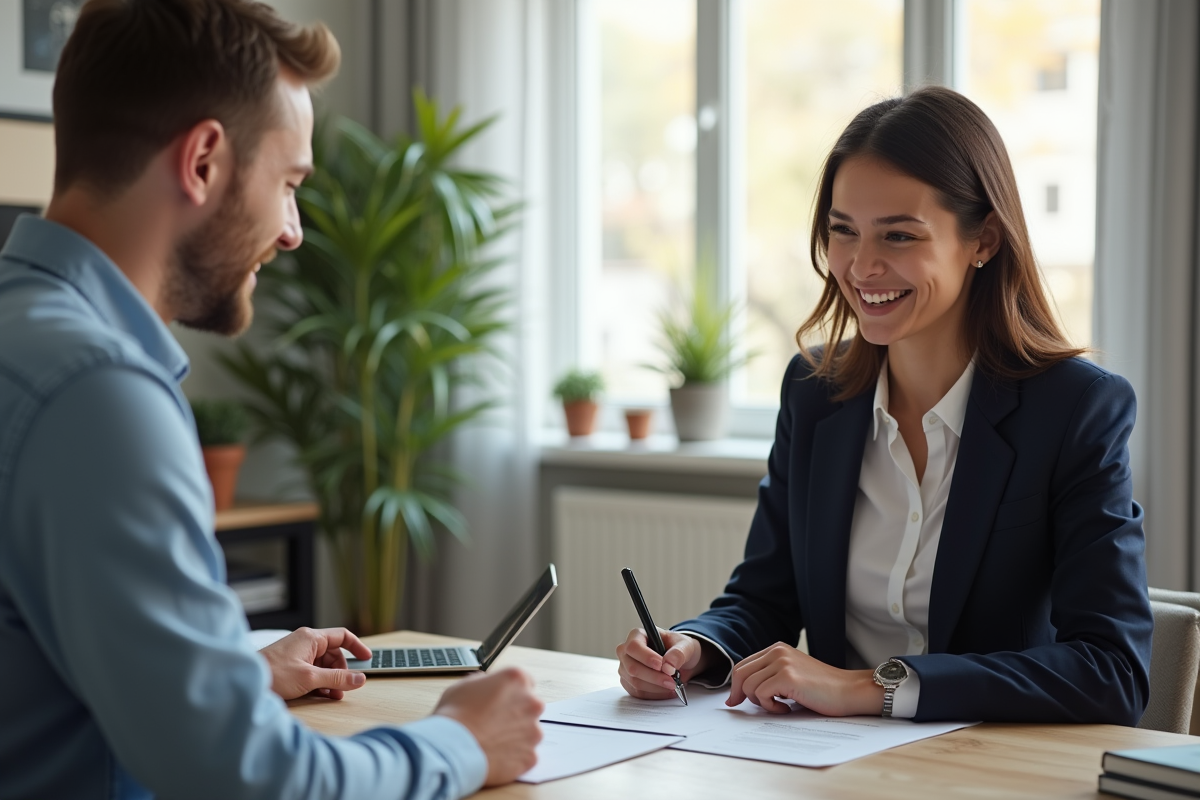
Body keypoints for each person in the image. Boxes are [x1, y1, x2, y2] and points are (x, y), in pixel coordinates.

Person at [0, 1, 542, 798]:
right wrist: (460, 742)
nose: (292, 230)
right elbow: (247, 778)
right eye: (288, 183)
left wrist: (231, 679)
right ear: (204, 161)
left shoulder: (23, 335)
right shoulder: (98, 393)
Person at [617, 86, 1153, 725]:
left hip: (990, 768)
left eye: (898, 236)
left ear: (982, 239)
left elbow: (1112, 669)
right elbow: (764, 597)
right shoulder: (814, 393)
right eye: (843, 231)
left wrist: (873, 687)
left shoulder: (1076, 409)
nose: (861, 266)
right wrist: (693, 648)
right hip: (829, 766)